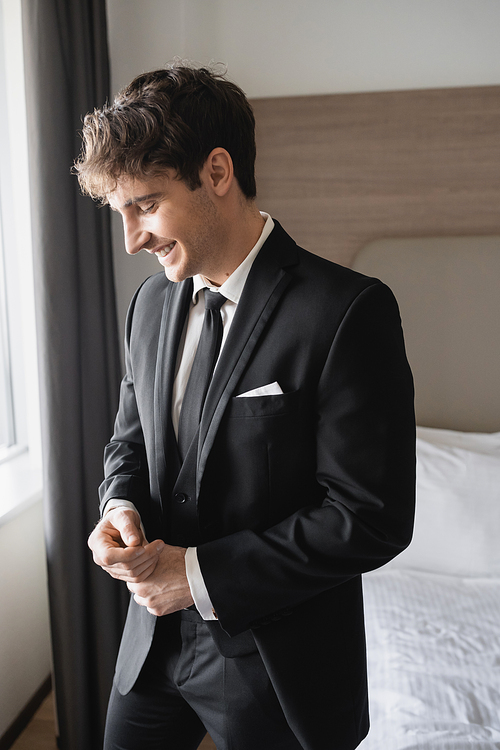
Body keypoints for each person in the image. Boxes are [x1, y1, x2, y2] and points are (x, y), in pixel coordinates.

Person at [77, 63, 415, 750]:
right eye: (121, 213)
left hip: (276, 662)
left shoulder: (348, 311)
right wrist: (120, 510)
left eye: (145, 205)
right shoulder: (148, 305)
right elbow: (130, 444)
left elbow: (370, 519)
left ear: (218, 172)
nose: (132, 240)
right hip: (150, 648)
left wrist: (196, 576)